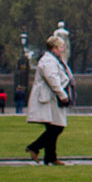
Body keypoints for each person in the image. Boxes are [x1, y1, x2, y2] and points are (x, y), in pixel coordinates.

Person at [24, 35, 72, 165]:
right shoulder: (49, 61)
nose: (63, 50)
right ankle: (35, 147)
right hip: (49, 98)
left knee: (53, 127)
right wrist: (63, 95)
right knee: (57, 127)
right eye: (61, 47)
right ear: (54, 48)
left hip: (52, 98)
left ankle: (50, 157)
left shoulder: (53, 60)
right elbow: (53, 80)